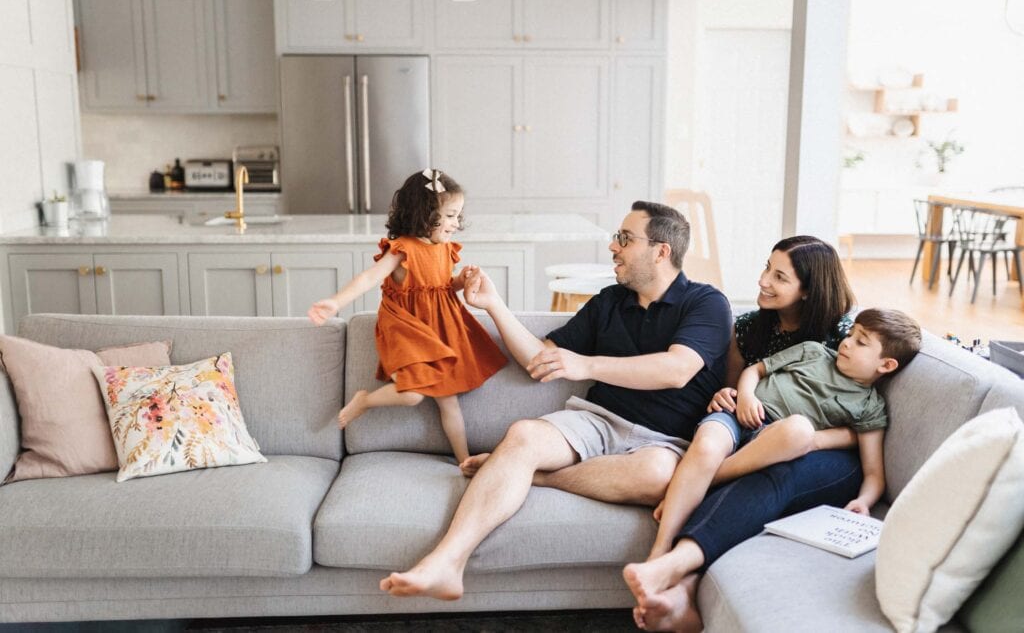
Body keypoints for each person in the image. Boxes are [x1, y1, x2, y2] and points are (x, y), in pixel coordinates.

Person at [378, 201, 733, 601]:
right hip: (597, 420)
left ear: (661, 251)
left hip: (663, 439)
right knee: (524, 435)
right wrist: (494, 305)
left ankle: (527, 472)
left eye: (624, 239)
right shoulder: (609, 301)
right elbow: (539, 360)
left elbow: (677, 369)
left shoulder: (706, 302)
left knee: (656, 476)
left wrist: (586, 365)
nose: (613, 247)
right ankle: (446, 563)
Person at [621, 235, 868, 632]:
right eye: (766, 267)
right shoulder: (751, 326)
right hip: (750, 426)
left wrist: (800, 440)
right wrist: (726, 393)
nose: (763, 281)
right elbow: (736, 386)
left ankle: (682, 551)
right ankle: (661, 557)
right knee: (710, 440)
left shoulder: (842, 336)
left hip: (813, 448)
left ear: (808, 291)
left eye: (780, 276)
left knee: (771, 472)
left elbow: (865, 421)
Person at [643, 307, 922, 562]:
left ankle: (698, 479)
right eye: (850, 334)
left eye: (861, 342)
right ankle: (661, 547)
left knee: (799, 429)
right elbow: (756, 369)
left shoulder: (868, 406)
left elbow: (873, 472)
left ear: (885, 365)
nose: (847, 342)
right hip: (736, 414)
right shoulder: (814, 351)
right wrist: (746, 397)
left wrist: (863, 501)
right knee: (706, 447)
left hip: (771, 441)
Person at [307, 169, 507, 464]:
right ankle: (365, 400)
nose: (456, 223)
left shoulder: (445, 249)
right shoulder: (402, 249)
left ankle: (464, 460)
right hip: (406, 326)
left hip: (439, 328)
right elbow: (369, 278)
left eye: (457, 216)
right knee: (412, 394)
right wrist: (335, 302)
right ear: (425, 214)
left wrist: (461, 282)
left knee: (449, 401)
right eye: (450, 215)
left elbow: (439, 287)